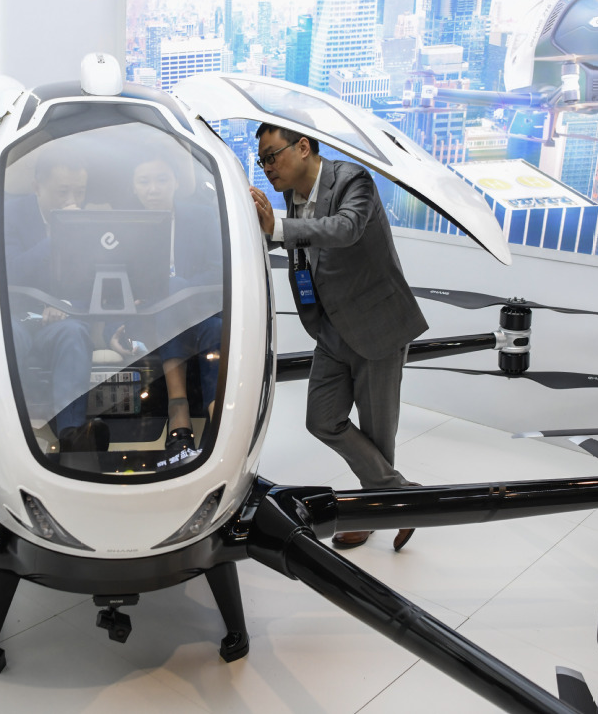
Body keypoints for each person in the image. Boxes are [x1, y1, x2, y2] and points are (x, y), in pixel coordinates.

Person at [249, 124, 427, 552]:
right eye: (262, 160)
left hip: (377, 325)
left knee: (378, 434)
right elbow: (296, 244)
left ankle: (372, 512)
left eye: (271, 156)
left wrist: (279, 228)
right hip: (330, 328)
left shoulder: (352, 180)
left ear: (302, 147)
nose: (267, 167)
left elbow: (345, 229)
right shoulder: (292, 196)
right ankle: (404, 498)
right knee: (322, 419)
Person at [4, 148, 109, 455]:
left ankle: (72, 437)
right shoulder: (8, 215)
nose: (71, 201)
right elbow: (10, 273)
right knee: (6, 338)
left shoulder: (90, 222)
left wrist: (65, 304)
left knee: (75, 334)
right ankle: (12, 432)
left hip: (61, 320)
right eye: (62, 192)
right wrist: (58, 236)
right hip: (15, 315)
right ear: (37, 186)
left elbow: (97, 282)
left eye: (80, 192)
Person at [125, 152, 222, 463]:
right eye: (144, 181)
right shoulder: (124, 226)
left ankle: (180, 418)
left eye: (161, 180)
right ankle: (215, 420)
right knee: (182, 311)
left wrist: (177, 288)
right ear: (134, 187)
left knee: (215, 327)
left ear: (176, 183)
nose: (153, 189)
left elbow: (219, 271)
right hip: (147, 318)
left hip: (199, 310)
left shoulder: (202, 216)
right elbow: (111, 281)